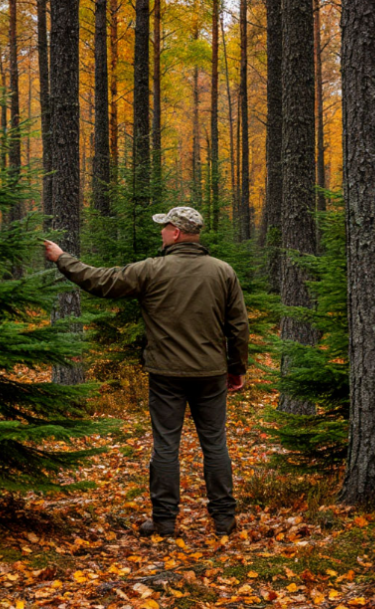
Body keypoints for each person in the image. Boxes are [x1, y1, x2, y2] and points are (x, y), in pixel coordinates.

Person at [43, 207, 249, 538]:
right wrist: (236, 368)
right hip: (211, 373)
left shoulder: (152, 270)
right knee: (215, 443)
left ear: (177, 233)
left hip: (166, 374)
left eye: (165, 227)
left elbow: (100, 281)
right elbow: (238, 325)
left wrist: (62, 258)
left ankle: (165, 522)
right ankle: (224, 520)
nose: (161, 232)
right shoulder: (223, 272)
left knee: (166, 444)